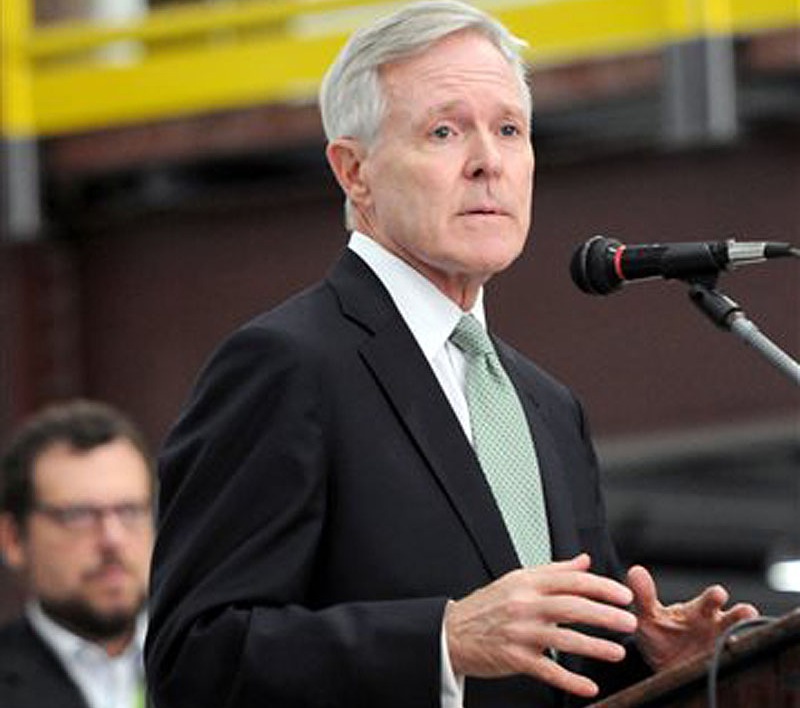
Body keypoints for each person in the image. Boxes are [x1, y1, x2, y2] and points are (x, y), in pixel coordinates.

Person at [145, 2, 758, 706]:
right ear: (354, 172)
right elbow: (194, 661)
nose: (488, 163)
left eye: (508, 130)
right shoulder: (284, 366)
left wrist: (657, 664)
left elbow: (558, 673)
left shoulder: (547, 406)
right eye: (444, 131)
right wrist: (445, 639)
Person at [0, 399, 155, 708]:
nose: (112, 538)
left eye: (130, 511)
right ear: (13, 539)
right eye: (78, 515)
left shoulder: (219, 664)